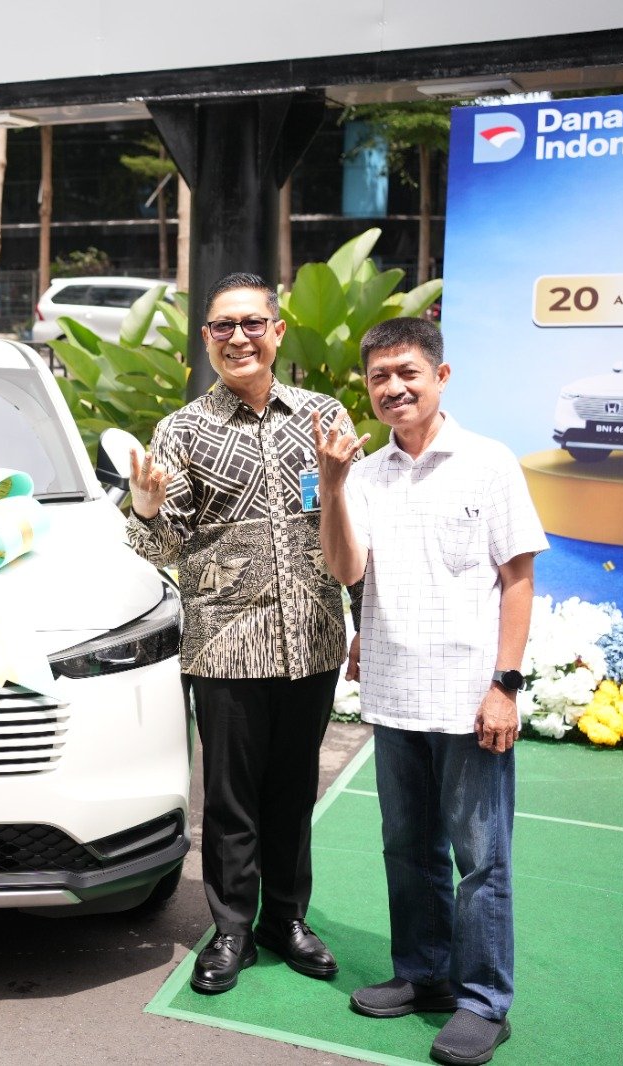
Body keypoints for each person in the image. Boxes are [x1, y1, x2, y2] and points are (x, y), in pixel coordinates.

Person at [315, 317, 543, 1066]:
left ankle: (484, 1002)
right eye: (379, 377)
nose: (394, 388)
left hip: (470, 698)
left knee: (481, 859)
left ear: (441, 377)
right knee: (407, 850)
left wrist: (505, 685)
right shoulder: (366, 474)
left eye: (407, 372)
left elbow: (517, 579)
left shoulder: (488, 462)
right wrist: (332, 484)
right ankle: (425, 975)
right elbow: (348, 570)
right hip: (395, 695)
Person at [127, 272, 355, 994]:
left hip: (312, 636)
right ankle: (231, 929)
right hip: (225, 643)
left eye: (252, 323)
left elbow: (356, 525)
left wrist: (365, 620)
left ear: (278, 331)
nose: (238, 338)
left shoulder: (322, 417)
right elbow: (158, 548)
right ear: (207, 338)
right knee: (229, 800)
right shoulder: (182, 430)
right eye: (223, 326)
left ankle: (285, 919)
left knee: (293, 790)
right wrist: (146, 508)